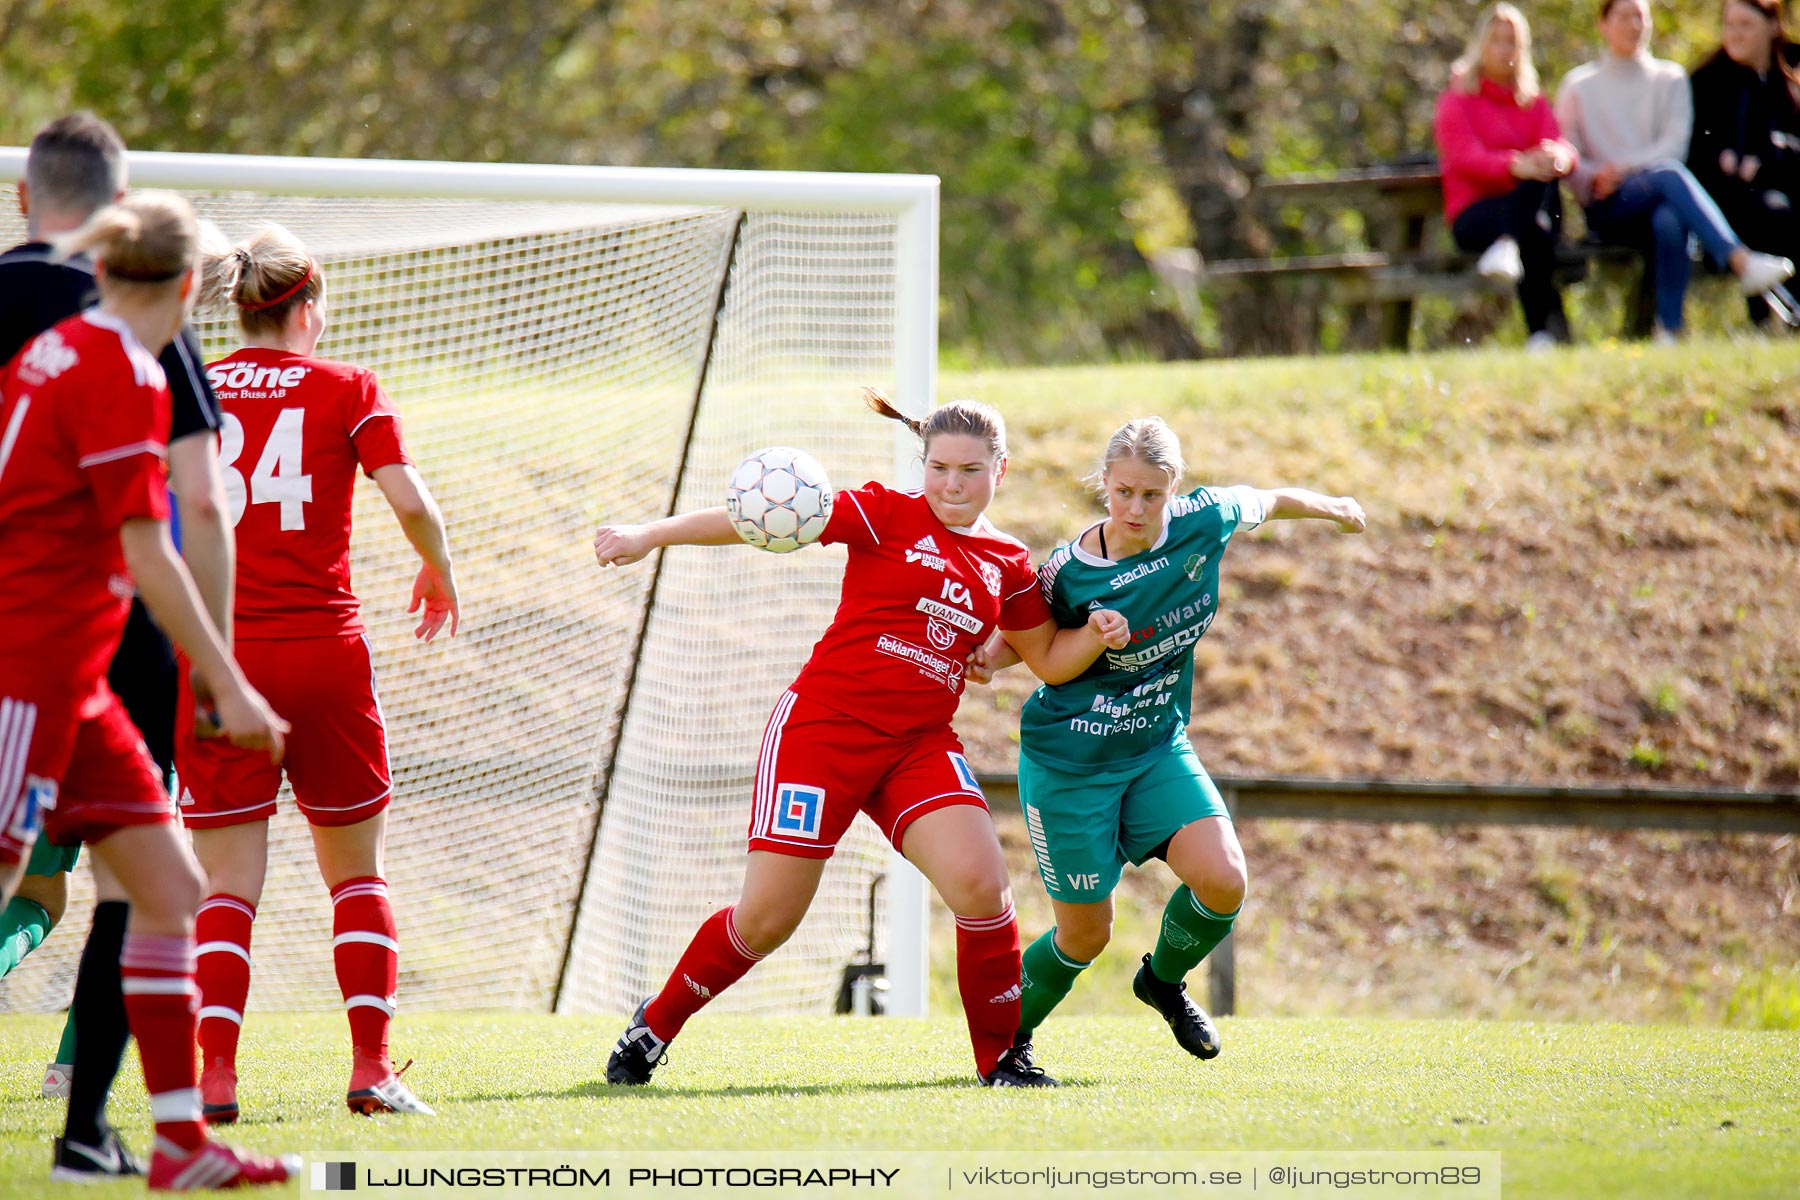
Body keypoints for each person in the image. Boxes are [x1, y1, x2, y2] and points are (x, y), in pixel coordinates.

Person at [591, 388, 1129, 1089]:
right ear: (922, 464)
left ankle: (1002, 1062)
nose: (952, 484)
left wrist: (1094, 633)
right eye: (938, 468)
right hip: (822, 731)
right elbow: (758, 517)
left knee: (981, 884)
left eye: (969, 470)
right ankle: (654, 1024)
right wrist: (649, 534)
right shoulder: (885, 512)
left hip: (918, 746)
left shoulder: (1007, 562)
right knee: (768, 919)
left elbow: (1047, 657)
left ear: (1002, 468)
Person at [0, 189, 299, 1189]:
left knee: (170, 889)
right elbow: (153, 550)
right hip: (29, 671)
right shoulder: (122, 370)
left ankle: (177, 1147)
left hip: (77, 673)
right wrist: (227, 682)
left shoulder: (65, 347)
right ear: (180, 287)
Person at [970, 418, 1363, 1067]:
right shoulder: (1073, 569)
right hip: (1070, 762)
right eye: (1122, 491)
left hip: (1154, 746)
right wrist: (986, 656)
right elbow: (1028, 637)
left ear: (1173, 489)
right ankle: (1004, 1046)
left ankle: (1162, 981)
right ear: (1103, 485)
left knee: (1224, 880)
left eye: (1150, 495)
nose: (1134, 508)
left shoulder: (1205, 521)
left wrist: (1336, 508)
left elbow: (1270, 499)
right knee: (1086, 933)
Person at [178, 224, 460, 1123]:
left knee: (226, 887)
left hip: (218, 661)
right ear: (308, 308)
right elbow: (409, 499)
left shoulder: (189, 382)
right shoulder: (347, 386)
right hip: (321, 656)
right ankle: (371, 1068)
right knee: (357, 873)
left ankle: (215, 1078)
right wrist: (439, 569)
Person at [1555, 0, 1794, 339]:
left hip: (1662, 198)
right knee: (1668, 176)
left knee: (1669, 216)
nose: (1633, 26)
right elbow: (1568, 153)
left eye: (1640, 17)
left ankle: (1668, 329)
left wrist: (1626, 168)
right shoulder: (1578, 85)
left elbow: (1674, 146)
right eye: (1624, 17)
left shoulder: (1671, 79)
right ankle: (1740, 260)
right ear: (1603, 24)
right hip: (1608, 203)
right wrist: (1595, 177)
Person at [1434, 3, 1580, 348]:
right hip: (1476, 216)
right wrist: (1515, 164)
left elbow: (1560, 146)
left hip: (1526, 213)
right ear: (1481, 44)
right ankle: (1544, 334)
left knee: (1538, 199)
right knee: (1537, 229)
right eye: (1496, 40)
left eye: (1510, 41)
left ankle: (1508, 246)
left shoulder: (1533, 100)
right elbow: (1464, 156)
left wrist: (1557, 158)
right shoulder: (1456, 101)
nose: (1503, 49)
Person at [1688, 0, 1800, 325]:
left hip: (1785, 185)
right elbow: (1697, 156)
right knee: (1772, 211)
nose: (1734, 34)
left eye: (1745, 25)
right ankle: (1772, 317)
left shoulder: (1791, 72)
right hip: (1728, 201)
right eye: (1729, 24)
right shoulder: (1707, 81)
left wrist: (1769, 162)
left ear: (1773, 27)